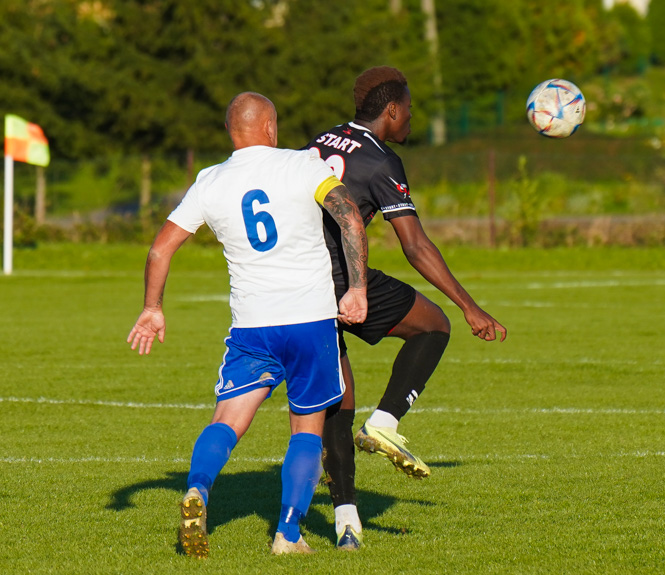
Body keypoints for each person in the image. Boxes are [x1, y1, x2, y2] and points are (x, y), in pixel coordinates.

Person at [127, 92, 369, 558]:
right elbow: (349, 216)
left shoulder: (210, 180)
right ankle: (289, 535)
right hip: (309, 321)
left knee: (228, 419)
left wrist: (152, 307)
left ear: (231, 131)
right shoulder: (302, 166)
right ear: (271, 128)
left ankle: (198, 489)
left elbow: (160, 249)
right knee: (306, 429)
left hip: (252, 327)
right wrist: (356, 287)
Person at [304, 66, 507, 551]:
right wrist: (470, 306)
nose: (411, 118)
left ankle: (347, 523)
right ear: (391, 110)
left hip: (296, 284)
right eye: (409, 110)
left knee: (338, 398)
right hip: (341, 280)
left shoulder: (321, 139)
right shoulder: (382, 160)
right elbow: (415, 246)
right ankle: (386, 423)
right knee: (433, 325)